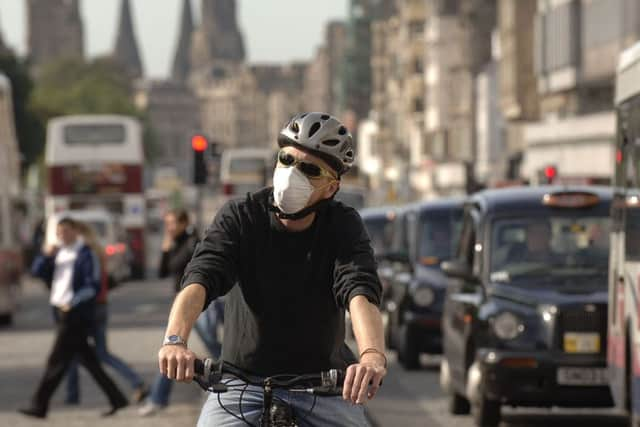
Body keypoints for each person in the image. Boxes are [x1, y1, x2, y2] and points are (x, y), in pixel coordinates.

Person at [158, 112, 387, 426]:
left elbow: (360, 291)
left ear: (331, 188)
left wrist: (372, 355)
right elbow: (200, 277)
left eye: (309, 169)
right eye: (287, 159)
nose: (293, 173)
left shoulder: (343, 224)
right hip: (240, 383)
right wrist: (175, 341)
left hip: (323, 386)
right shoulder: (241, 215)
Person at [19, 217, 128, 419]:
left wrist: (74, 302)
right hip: (59, 311)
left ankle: (39, 405)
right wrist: (45, 256)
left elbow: (92, 285)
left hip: (75, 314)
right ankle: (117, 398)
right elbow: (36, 272)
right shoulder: (59, 254)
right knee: (88, 360)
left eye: (66, 231)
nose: (62, 236)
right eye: (59, 232)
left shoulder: (85, 254)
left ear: (76, 232)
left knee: (56, 360)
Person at [65, 222, 149, 405]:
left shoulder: (86, 253)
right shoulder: (95, 251)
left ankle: (73, 396)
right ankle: (135, 383)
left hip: (91, 308)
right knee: (96, 353)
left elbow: (91, 285)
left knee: (76, 351)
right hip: (99, 306)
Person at [139, 209, 206, 416]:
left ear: (184, 222)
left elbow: (179, 265)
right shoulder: (176, 241)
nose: (168, 228)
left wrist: (171, 248)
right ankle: (158, 398)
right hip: (180, 304)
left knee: (214, 346)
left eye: (171, 223)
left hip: (199, 303)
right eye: (166, 223)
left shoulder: (193, 241)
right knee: (172, 349)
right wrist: (166, 248)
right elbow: (162, 271)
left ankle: (231, 383)